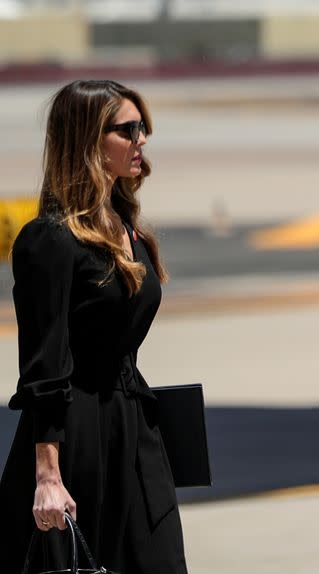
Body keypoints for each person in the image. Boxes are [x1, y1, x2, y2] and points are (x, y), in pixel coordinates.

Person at [0, 80, 188, 573]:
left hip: (135, 432)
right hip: (77, 439)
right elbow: (44, 366)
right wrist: (46, 475)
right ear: (89, 140)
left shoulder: (131, 232)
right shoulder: (49, 242)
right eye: (127, 129)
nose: (141, 139)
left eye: (142, 127)